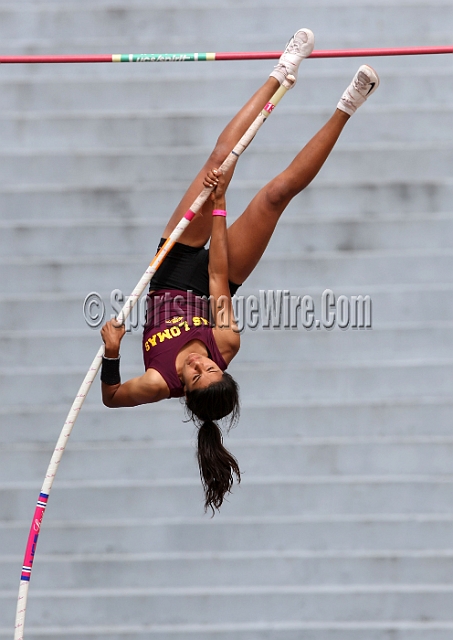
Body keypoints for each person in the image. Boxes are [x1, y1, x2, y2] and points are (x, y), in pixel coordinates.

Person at [100, 28, 380, 512]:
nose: (200, 364)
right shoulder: (225, 345)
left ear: (183, 390)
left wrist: (111, 353)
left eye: (196, 373)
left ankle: (283, 73)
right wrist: (221, 204)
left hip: (170, 269)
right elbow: (216, 281)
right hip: (215, 281)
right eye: (209, 368)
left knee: (217, 159)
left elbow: (109, 398)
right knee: (273, 196)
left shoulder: (153, 383)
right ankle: (338, 99)